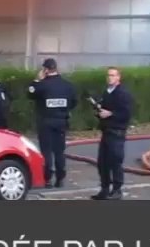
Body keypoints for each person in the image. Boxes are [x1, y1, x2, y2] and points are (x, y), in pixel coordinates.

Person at [27, 58, 78, 188]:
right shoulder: (67, 85)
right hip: (61, 121)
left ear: (45, 70)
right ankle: (60, 178)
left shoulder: (42, 85)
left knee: (46, 151)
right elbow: (74, 102)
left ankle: (47, 178)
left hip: (45, 122)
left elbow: (30, 93)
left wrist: (37, 80)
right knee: (59, 151)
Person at [90, 67, 133, 200]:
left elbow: (126, 113)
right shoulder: (106, 92)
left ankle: (117, 190)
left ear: (118, 77)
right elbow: (104, 110)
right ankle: (104, 189)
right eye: (108, 75)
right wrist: (98, 111)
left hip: (117, 132)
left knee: (115, 162)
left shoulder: (123, 93)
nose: (110, 78)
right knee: (102, 162)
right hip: (106, 131)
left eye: (113, 75)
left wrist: (111, 114)